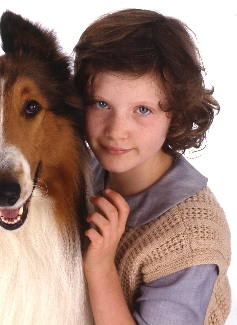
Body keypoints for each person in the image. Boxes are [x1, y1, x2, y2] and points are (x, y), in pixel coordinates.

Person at [73, 8, 231, 325]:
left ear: (175, 113)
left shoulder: (191, 239)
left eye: (142, 109)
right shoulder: (83, 172)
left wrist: (101, 267)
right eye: (101, 103)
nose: (116, 129)